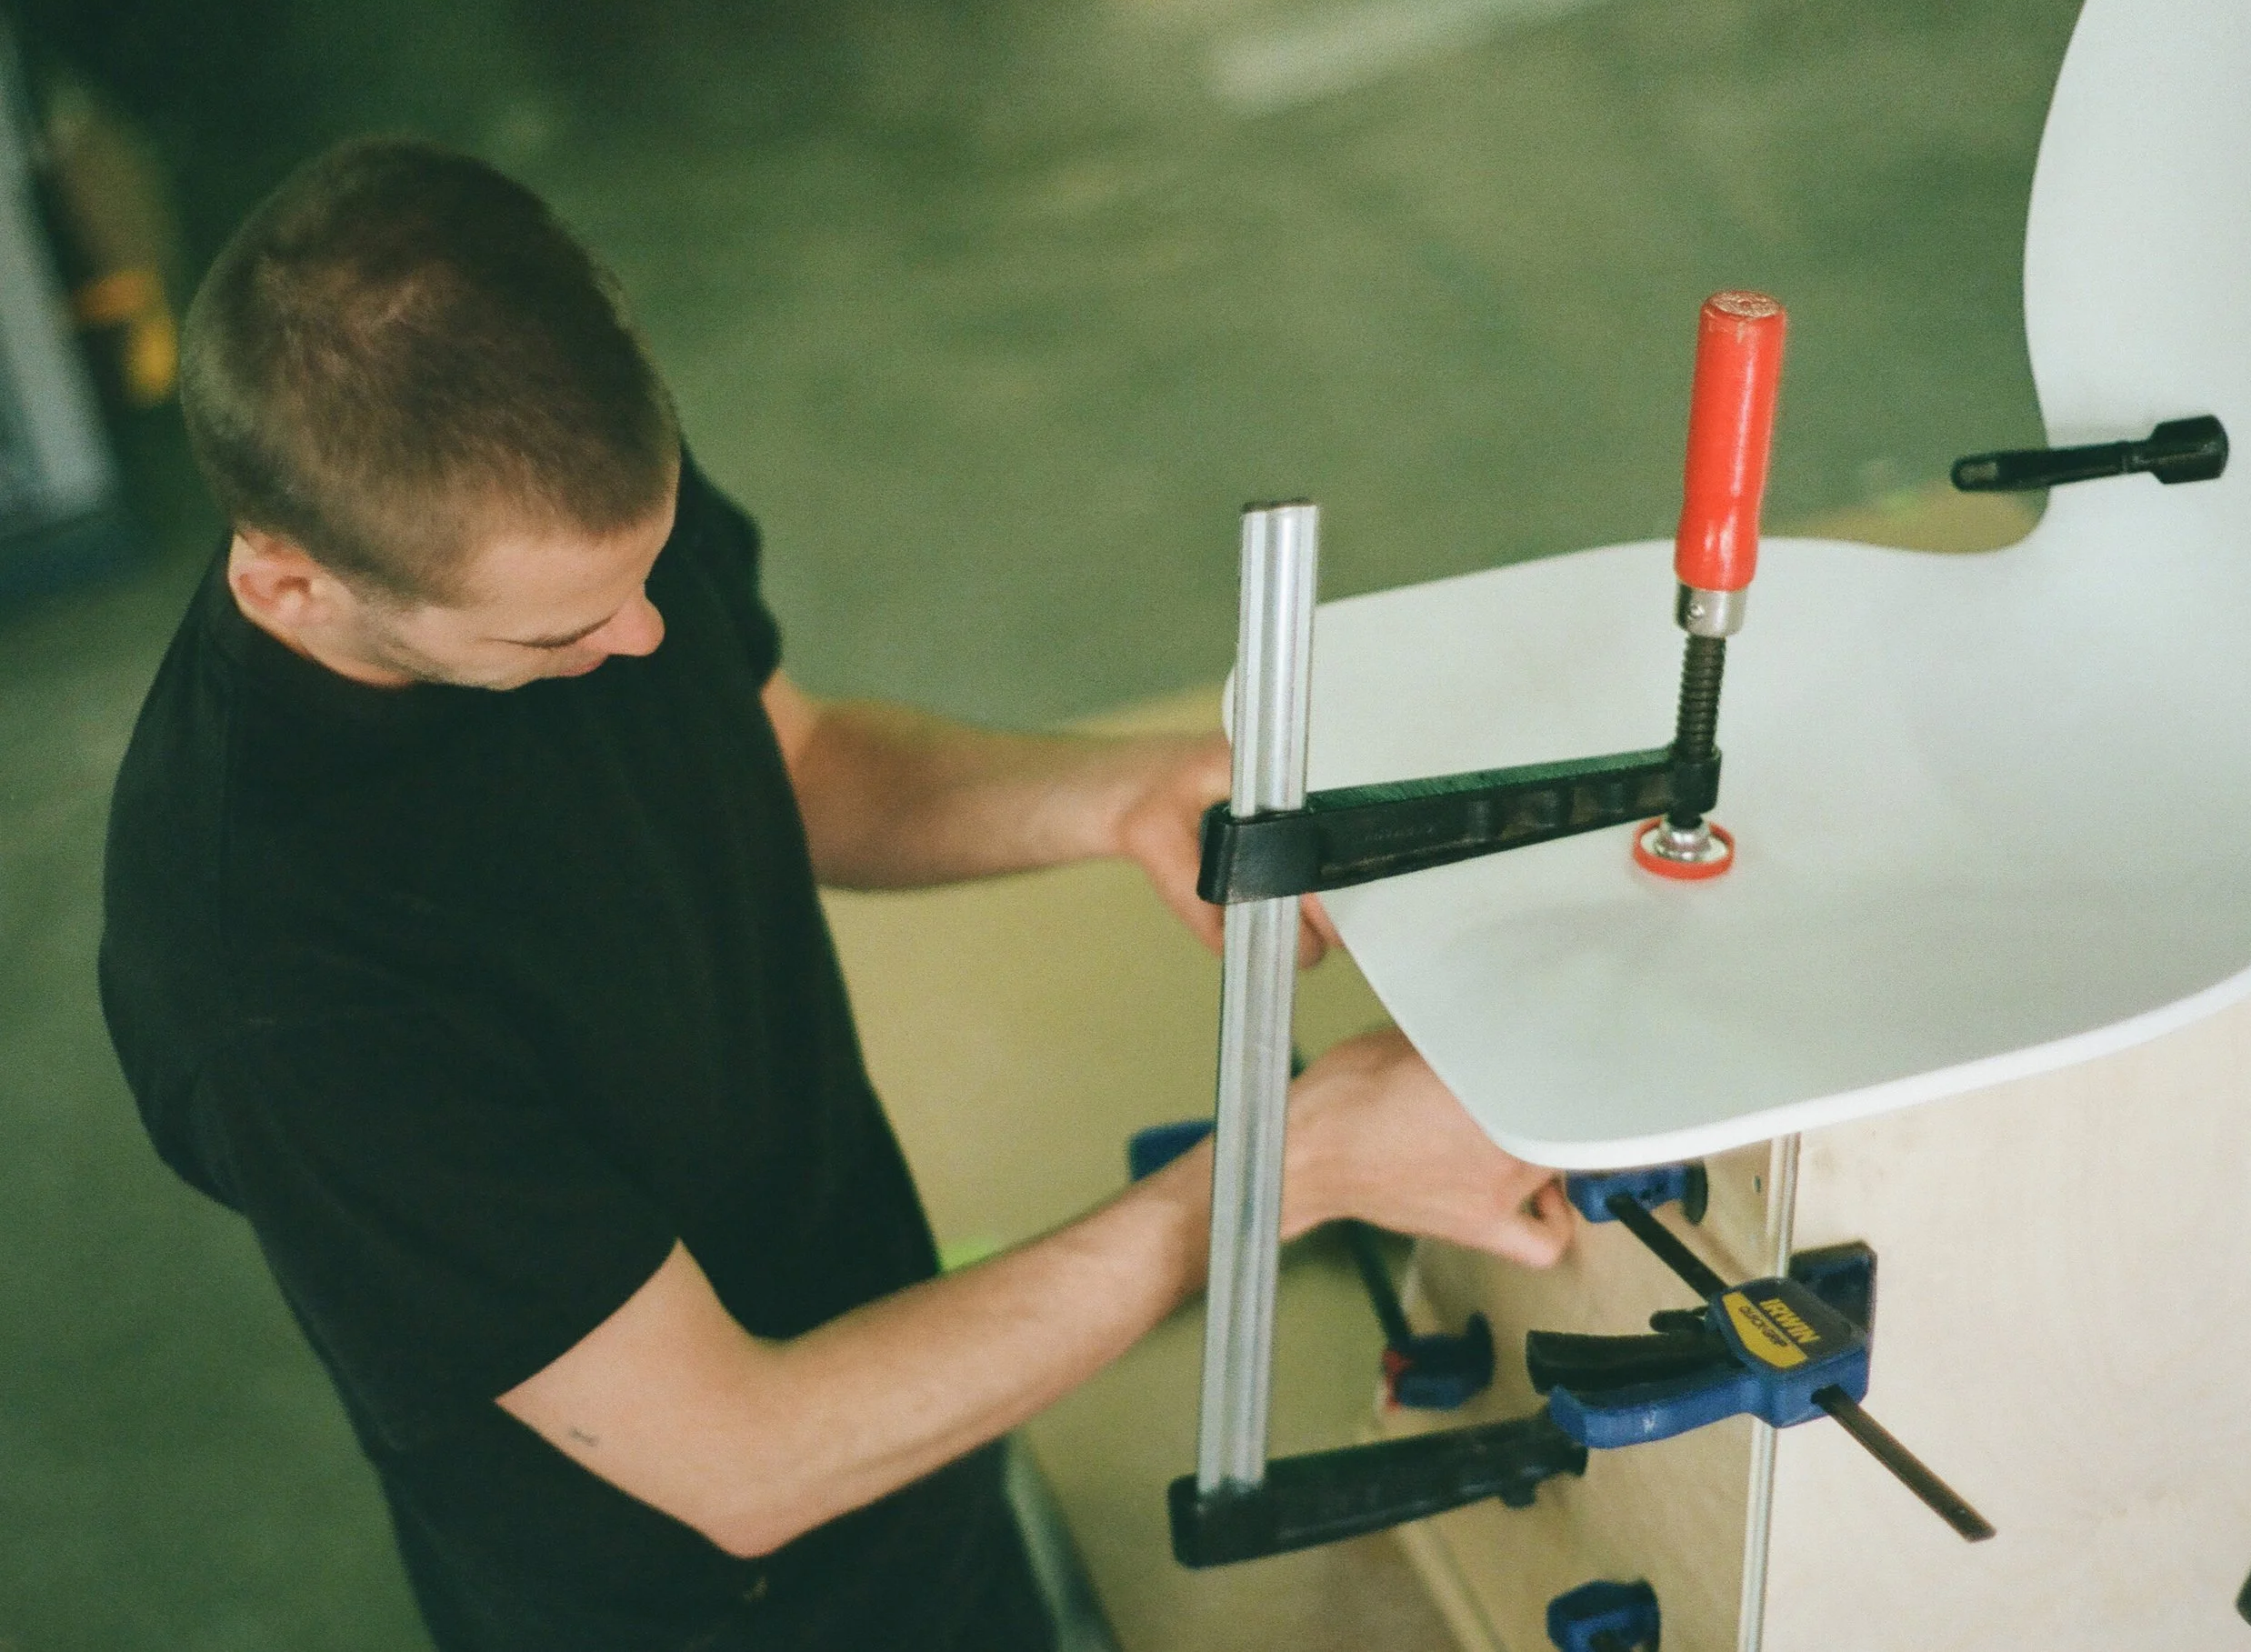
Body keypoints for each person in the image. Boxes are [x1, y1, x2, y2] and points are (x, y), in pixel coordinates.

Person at [98, 138, 1573, 1652]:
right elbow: (748, 1456)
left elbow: (783, 759)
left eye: (652, 566)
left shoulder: (562, 492)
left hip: (921, 1391)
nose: (645, 636)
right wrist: (1290, 1170)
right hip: (719, 1602)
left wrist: (1117, 797)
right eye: (560, 635)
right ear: (289, 582)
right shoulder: (272, 978)